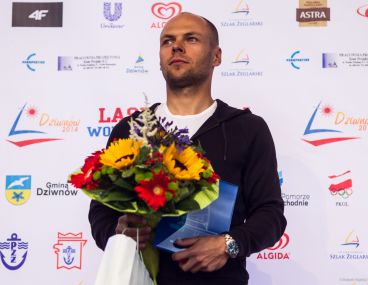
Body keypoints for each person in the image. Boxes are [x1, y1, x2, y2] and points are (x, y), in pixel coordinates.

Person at [89, 12, 286, 285]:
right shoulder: (131, 130)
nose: (176, 46)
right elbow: (100, 212)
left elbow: (271, 215)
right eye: (167, 40)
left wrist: (227, 244)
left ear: (216, 56)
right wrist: (117, 231)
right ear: (160, 58)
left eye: (191, 39)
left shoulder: (248, 128)